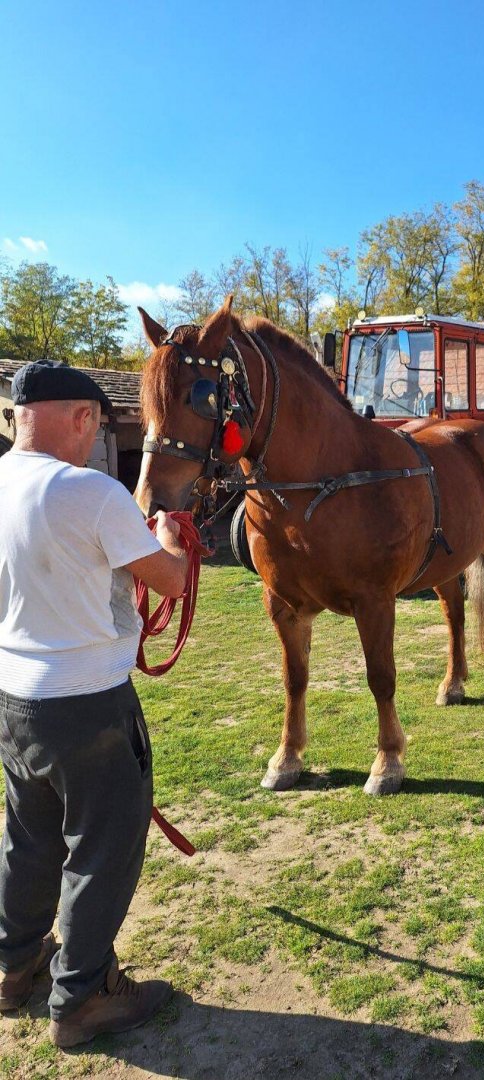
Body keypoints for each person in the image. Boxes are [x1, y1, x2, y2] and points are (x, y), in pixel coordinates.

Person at [0, 361, 188, 1048]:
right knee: (103, 848)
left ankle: (15, 967)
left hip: (15, 698)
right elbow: (167, 578)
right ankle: (83, 997)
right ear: (82, 417)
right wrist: (169, 537)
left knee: (28, 836)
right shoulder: (91, 492)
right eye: (97, 422)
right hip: (88, 701)